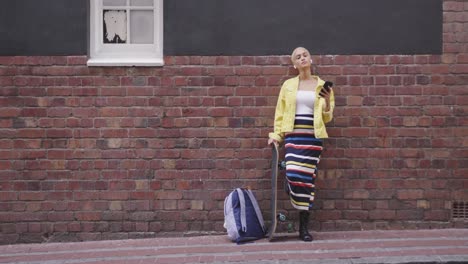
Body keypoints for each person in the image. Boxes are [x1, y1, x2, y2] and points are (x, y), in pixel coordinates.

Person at [268, 47, 335, 242]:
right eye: (298, 57)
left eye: (305, 55)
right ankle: (290, 182)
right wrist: (276, 136)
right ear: (294, 64)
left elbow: (327, 117)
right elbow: (280, 113)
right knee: (294, 174)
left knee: (308, 181)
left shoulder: (322, 85)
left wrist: (328, 102)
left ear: (311, 59)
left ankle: (303, 229)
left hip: (312, 139)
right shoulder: (288, 85)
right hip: (293, 137)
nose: (302, 58)